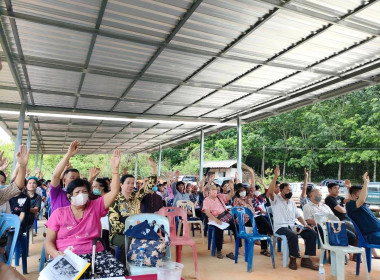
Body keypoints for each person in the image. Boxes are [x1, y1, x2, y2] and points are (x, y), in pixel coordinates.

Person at [45, 150, 125, 279]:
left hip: (94, 253)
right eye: (77, 193)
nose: (81, 195)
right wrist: (56, 254)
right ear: (69, 196)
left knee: (118, 272)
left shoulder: (95, 207)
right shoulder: (59, 214)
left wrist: (115, 169)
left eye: (84, 192)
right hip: (66, 255)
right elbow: (48, 242)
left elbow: (115, 191)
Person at [267, 166, 318, 270]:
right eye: (287, 190)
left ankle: (306, 259)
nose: (289, 192)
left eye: (290, 190)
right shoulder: (275, 199)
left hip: (293, 225)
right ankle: (293, 258)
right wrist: (275, 176)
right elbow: (270, 192)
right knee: (292, 235)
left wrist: (305, 225)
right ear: (281, 190)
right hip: (280, 227)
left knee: (312, 233)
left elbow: (298, 216)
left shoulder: (292, 203)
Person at [108, 157, 157, 265]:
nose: (131, 186)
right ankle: (125, 268)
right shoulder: (114, 200)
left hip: (136, 231)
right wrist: (132, 232)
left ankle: (144, 266)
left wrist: (153, 169)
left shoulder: (136, 197)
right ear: (121, 184)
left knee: (153, 239)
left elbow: (149, 187)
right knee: (130, 243)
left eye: (132, 183)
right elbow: (115, 224)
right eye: (128, 183)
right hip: (118, 234)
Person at [49, 141, 100, 214]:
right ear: (64, 180)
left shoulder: (81, 196)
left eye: (78, 178)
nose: (76, 180)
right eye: (72, 177)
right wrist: (68, 155)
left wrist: (91, 179)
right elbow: (55, 176)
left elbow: (84, 189)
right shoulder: (57, 192)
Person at [202, 182, 235, 259]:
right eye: (213, 189)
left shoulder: (219, 197)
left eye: (216, 189)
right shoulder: (206, 200)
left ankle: (239, 247)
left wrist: (232, 189)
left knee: (235, 226)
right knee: (218, 229)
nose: (215, 191)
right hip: (214, 219)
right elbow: (207, 212)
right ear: (209, 191)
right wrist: (216, 220)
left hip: (225, 217)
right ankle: (219, 250)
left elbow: (229, 196)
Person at [346, 172, 380, 245]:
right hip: (371, 235)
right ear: (353, 196)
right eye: (361, 194)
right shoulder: (350, 205)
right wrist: (366, 183)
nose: (364, 196)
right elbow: (361, 199)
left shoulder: (362, 206)